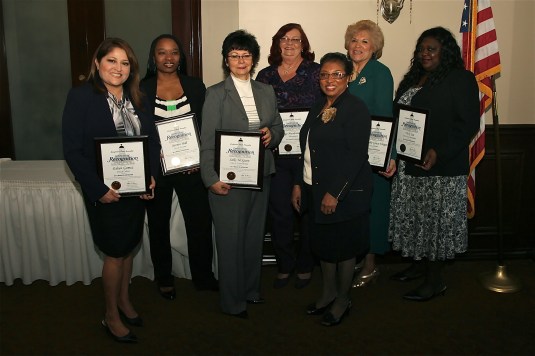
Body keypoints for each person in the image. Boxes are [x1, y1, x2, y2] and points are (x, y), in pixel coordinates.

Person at [62, 38, 160, 343]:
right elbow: (73, 151)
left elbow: (152, 142)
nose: (118, 68)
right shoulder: (81, 97)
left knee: (129, 246)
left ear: (132, 69)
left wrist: (150, 177)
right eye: (112, 61)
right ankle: (111, 315)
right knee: (115, 253)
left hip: (134, 191)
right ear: (97, 63)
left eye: (125, 62)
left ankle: (124, 300)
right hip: (104, 192)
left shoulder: (138, 98)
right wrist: (97, 188)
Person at [388, 27, 480, 301]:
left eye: (431, 49)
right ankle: (418, 265)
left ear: (445, 51)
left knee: (435, 225)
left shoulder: (460, 79)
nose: (424, 53)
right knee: (417, 220)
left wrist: (439, 151)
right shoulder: (415, 77)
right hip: (409, 164)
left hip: (440, 169)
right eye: (421, 49)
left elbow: (467, 125)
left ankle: (435, 280)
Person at [200, 30, 284, 318]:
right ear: (226, 60)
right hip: (228, 180)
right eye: (234, 55)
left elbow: (279, 127)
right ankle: (232, 301)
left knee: (252, 237)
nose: (240, 60)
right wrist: (211, 179)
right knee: (230, 240)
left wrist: (270, 134)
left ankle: (250, 290)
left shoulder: (266, 91)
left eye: (245, 55)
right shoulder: (215, 94)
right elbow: (207, 141)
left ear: (254, 59)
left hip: (261, 176)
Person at [292, 53, 372, 326]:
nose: (330, 79)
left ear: (348, 77)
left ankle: (342, 299)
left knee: (344, 248)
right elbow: (305, 149)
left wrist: (335, 193)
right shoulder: (317, 106)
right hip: (314, 189)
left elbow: (356, 155)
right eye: (325, 74)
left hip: (343, 194)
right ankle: (327, 294)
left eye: (337, 74)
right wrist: (298, 183)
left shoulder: (356, 108)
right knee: (324, 245)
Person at [141, 34, 218, 299]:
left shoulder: (196, 86)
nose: (169, 58)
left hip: (190, 169)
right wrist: (154, 154)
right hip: (156, 171)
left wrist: (196, 158)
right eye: (162, 52)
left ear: (180, 57)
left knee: (199, 222)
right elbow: (139, 131)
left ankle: (203, 276)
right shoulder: (141, 88)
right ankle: (164, 277)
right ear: (154, 57)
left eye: (174, 52)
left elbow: (205, 128)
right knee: (158, 224)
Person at [256, 23, 321, 289]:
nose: (290, 43)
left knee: (306, 211)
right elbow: (257, 114)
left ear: (304, 44)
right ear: (277, 43)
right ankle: (285, 264)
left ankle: (305, 264)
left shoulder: (316, 73)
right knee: (279, 211)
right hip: (276, 155)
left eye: (296, 39)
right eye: (285, 38)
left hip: (309, 154)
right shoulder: (265, 75)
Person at [344, 20, 396, 287]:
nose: (358, 45)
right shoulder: (341, 70)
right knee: (351, 207)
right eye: (354, 40)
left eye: (364, 41)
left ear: (374, 47)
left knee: (373, 208)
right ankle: (352, 257)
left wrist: (388, 155)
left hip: (373, 152)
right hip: (344, 153)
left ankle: (371, 263)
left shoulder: (380, 73)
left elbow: (385, 115)